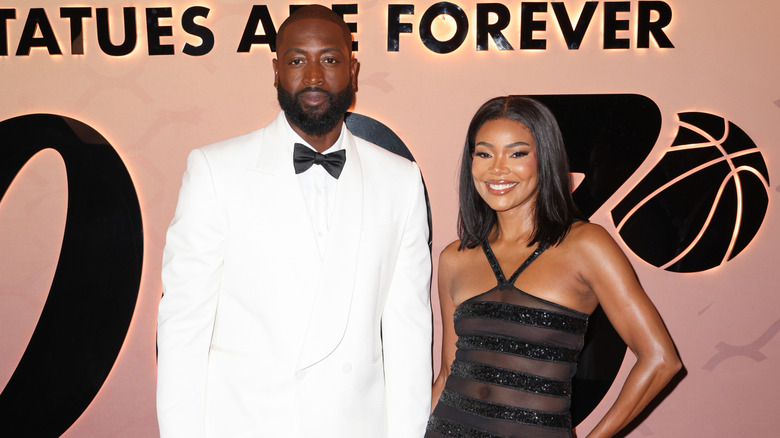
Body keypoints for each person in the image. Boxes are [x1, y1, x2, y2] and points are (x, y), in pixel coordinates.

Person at [156, 5, 432, 437]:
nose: (314, 77)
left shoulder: (400, 179)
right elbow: (182, 327)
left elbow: (409, 334)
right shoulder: (216, 170)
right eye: (297, 60)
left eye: (330, 59)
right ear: (276, 70)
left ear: (353, 70)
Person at [426, 96, 681, 437]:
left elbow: (661, 359)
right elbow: (446, 375)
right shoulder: (455, 257)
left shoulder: (586, 245)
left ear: (544, 159)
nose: (497, 168)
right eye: (484, 153)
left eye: (517, 153)